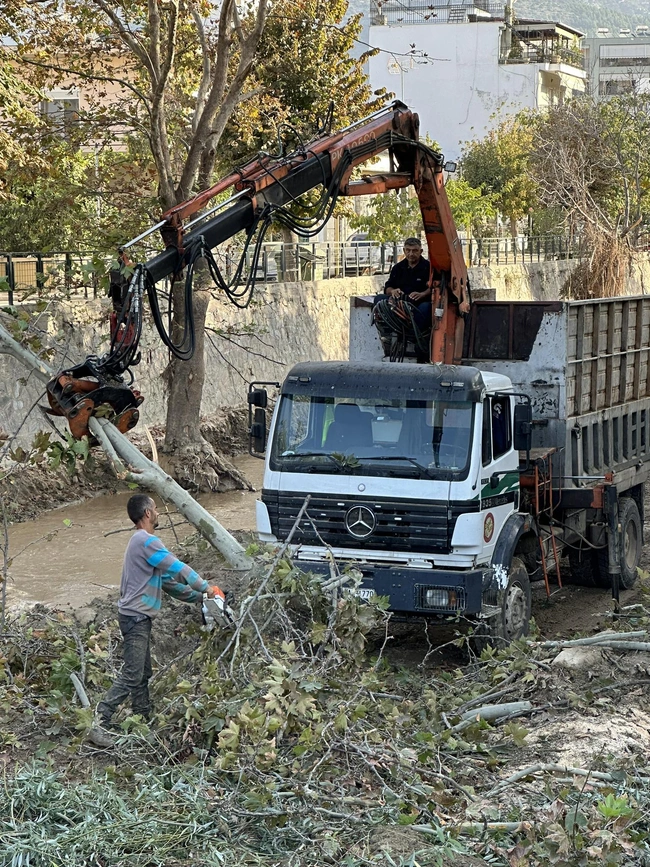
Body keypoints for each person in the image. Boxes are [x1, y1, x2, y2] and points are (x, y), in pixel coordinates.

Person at [88, 493, 225, 748]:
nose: (159, 512)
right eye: (156, 508)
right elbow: (178, 568)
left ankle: (142, 717)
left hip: (137, 617)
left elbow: (171, 585)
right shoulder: (146, 541)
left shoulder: (142, 545)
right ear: (148, 514)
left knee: (142, 672)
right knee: (132, 673)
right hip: (135, 618)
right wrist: (208, 588)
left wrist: (199, 598)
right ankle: (99, 721)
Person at [373, 237, 434, 359]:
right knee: (379, 299)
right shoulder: (398, 268)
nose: (411, 254)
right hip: (399, 304)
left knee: (425, 308)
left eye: (415, 250)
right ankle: (389, 333)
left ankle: (417, 337)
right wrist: (393, 291)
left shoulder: (428, 267)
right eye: (408, 250)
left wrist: (423, 294)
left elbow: (434, 288)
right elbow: (388, 287)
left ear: (421, 251)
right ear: (404, 250)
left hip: (419, 303)